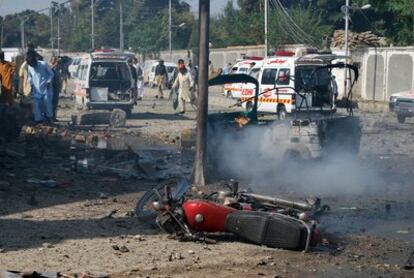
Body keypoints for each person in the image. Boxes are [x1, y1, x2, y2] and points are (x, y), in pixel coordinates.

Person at [27, 51, 54, 123]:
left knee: (47, 104)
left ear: (35, 61)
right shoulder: (30, 67)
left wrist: (48, 82)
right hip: (36, 89)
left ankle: (49, 118)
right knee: (36, 105)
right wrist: (31, 84)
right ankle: (38, 120)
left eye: (33, 64)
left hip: (46, 88)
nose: (33, 66)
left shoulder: (43, 64)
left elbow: (51, 74)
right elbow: (30, 77)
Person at [50, 56, 62, 121]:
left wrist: (60, 87)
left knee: (55, 103)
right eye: (54, 60)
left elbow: (60, 78)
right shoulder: (49, 67)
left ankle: (54, 116)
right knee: (50, 103)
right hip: (51, 88)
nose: (55, 61)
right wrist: (54, 65)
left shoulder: (58, 68)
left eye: (56, 60)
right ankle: (50, 116)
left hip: (56, 87)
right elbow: (49, 70)